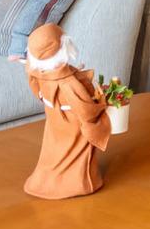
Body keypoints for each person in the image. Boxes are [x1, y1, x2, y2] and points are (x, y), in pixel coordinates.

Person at [17, 24, 111, 198]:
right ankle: (76, 184)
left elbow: (35, 84)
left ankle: (46, 181)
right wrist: (102, 103)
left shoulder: (39, 75)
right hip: (73, 125)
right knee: (74, 154)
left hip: (55, 122)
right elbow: (87, 112)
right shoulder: (68, 84)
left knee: (54, 151)